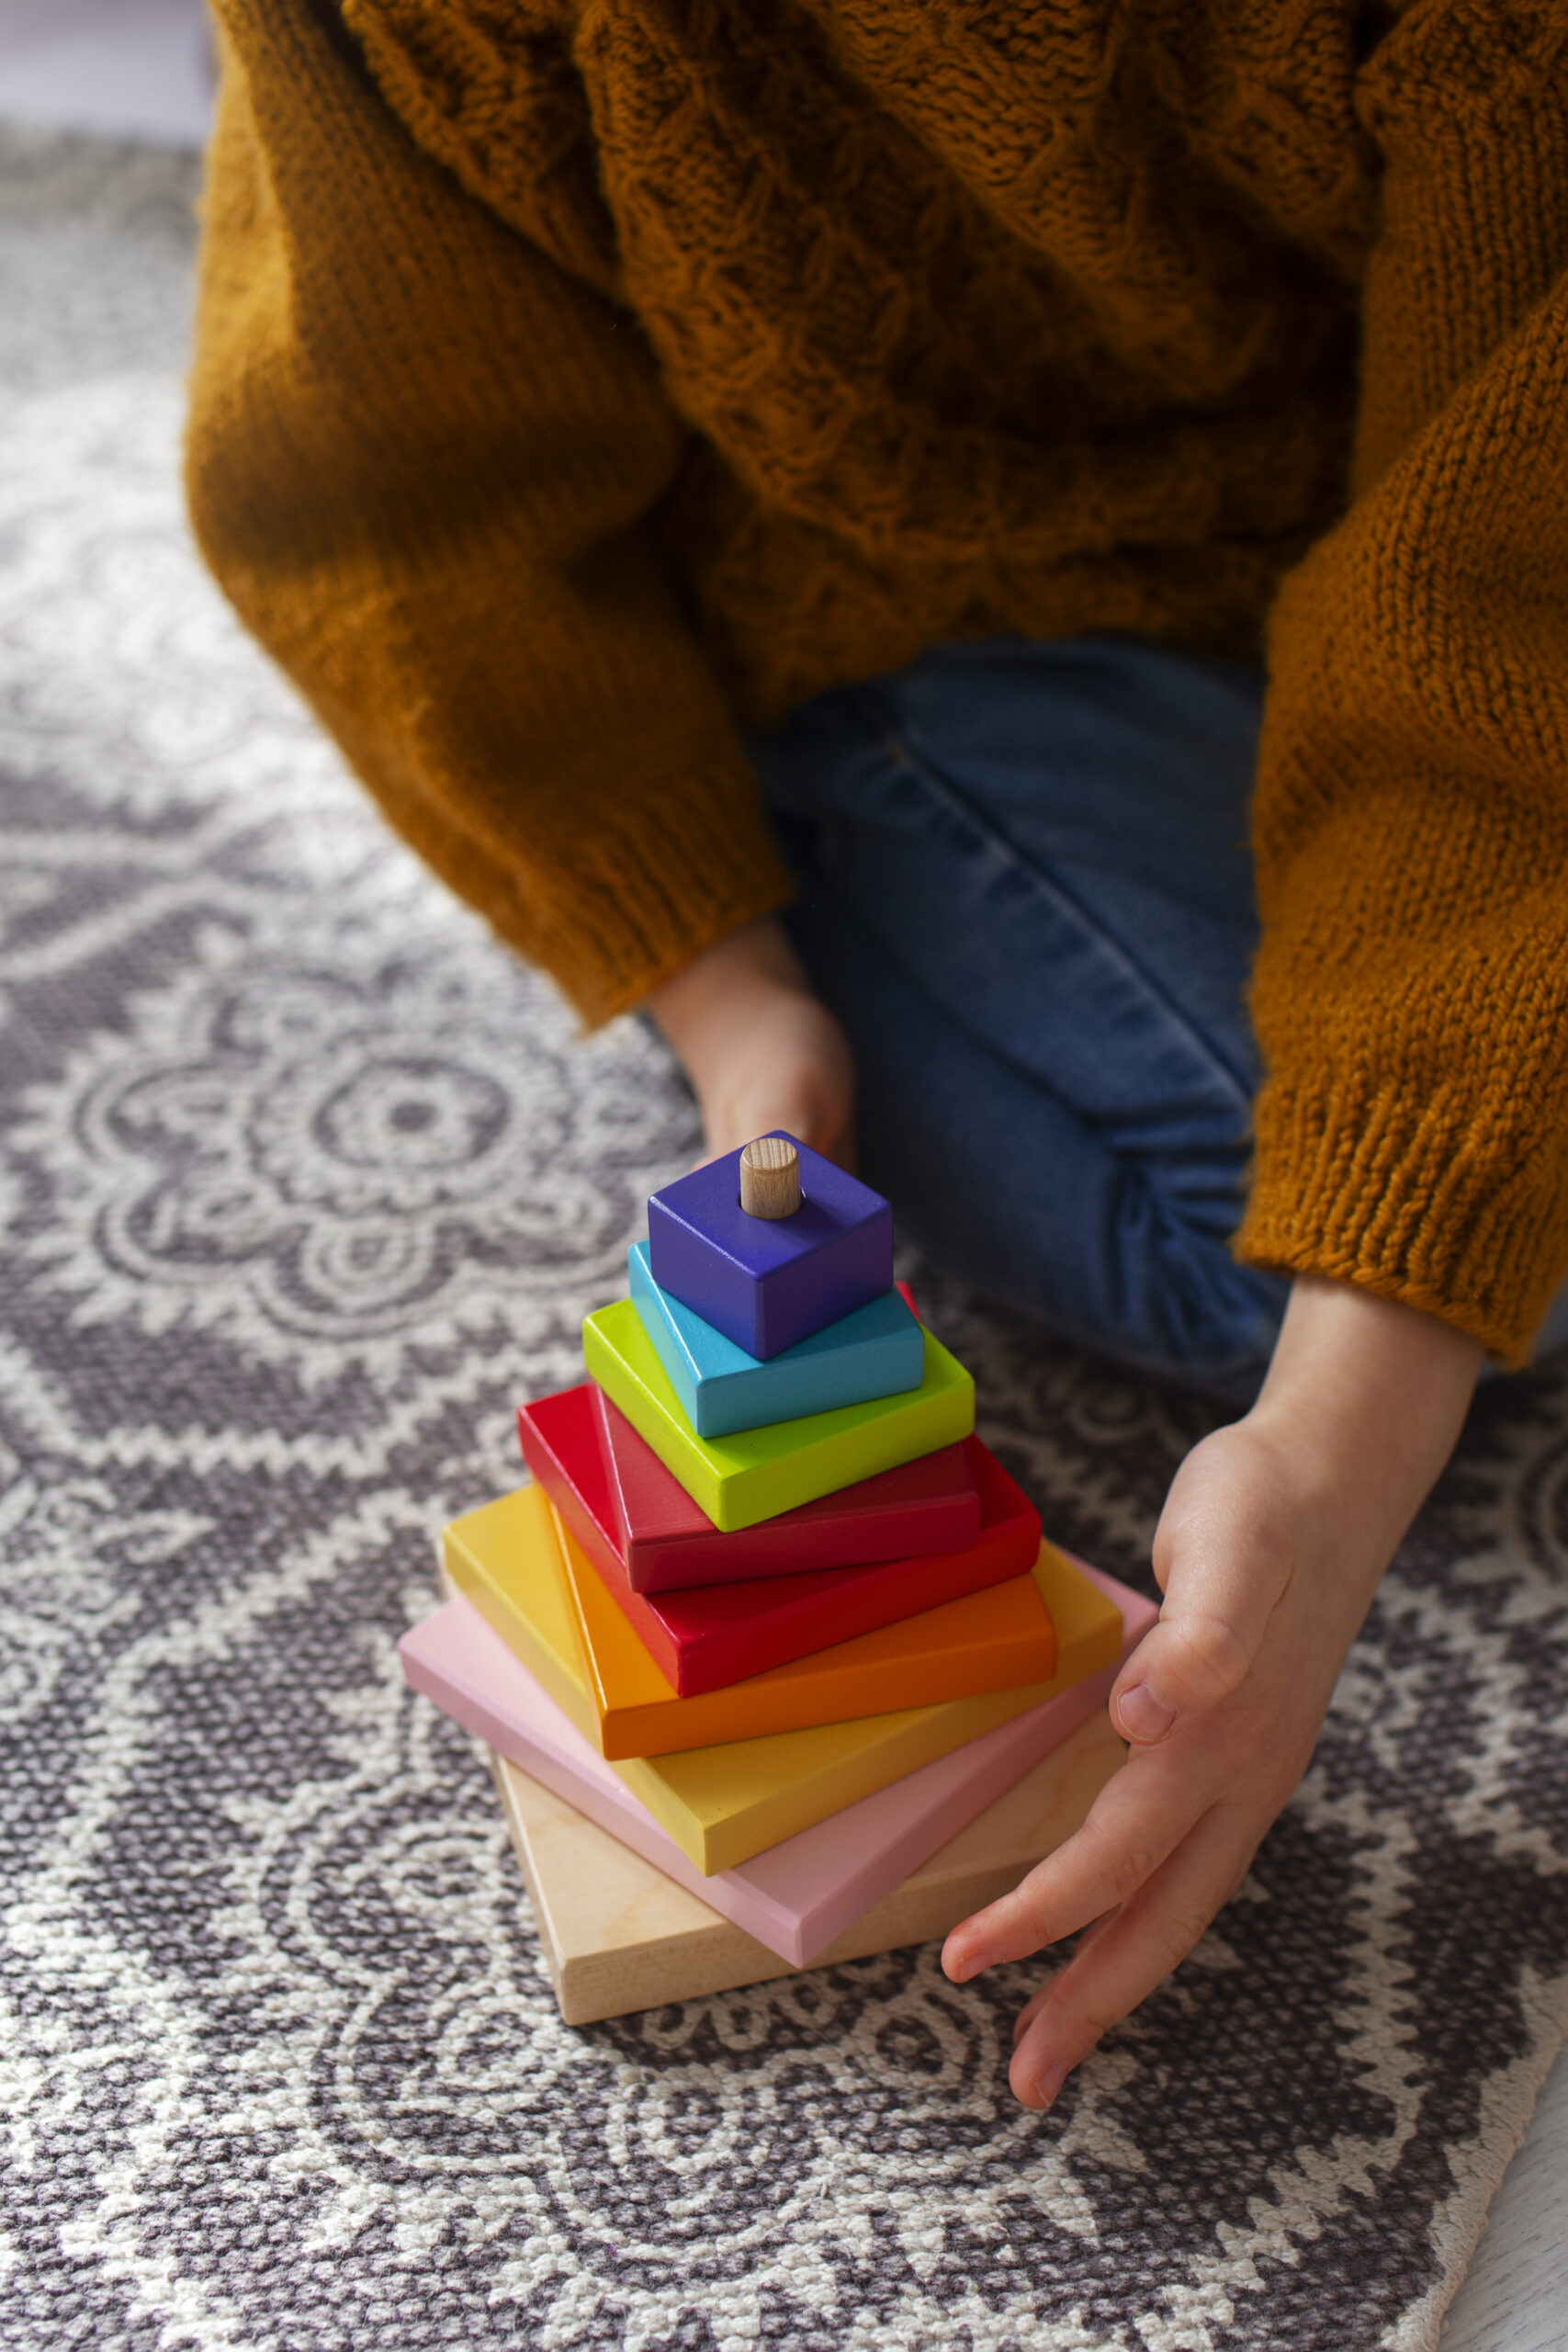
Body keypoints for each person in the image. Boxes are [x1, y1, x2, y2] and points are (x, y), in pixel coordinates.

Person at [186, 0, 1568, 2109]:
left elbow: (1500, 592)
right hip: (878, 608)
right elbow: (391, 491)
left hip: (1392, 524)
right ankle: (844, 823)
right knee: (1379, 1227)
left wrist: (1334, 1443)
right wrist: (725, 987)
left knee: (1446, 1198)